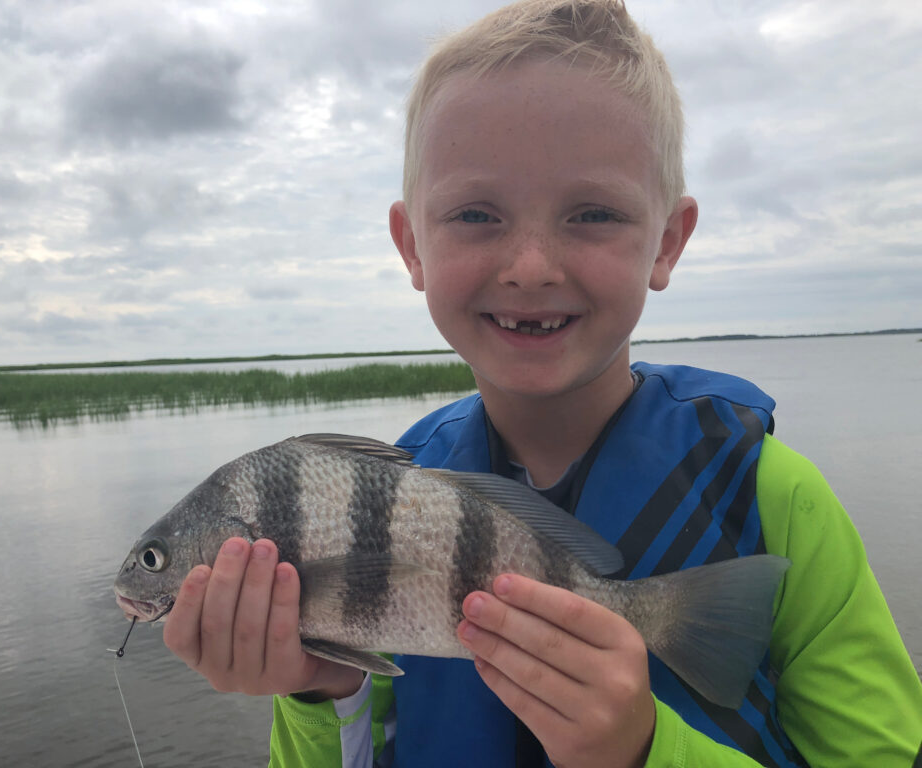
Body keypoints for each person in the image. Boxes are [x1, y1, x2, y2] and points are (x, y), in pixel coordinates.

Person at [161, 1, 922, 765]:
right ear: (410, 244)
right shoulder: (389, 488)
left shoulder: (772, 496)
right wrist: (324, 691)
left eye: (592, 213)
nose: (530, 266)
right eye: (475, 215)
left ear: (668, 242)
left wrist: (645, 750)